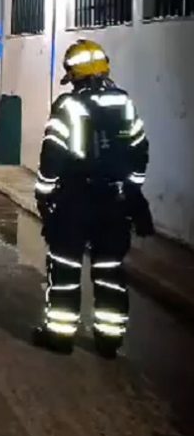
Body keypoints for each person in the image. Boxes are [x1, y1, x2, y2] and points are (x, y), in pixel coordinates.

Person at [33, 39, 154, 358]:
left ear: (75, 74)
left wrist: (43, 195)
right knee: (110, 270)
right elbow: (139, 153)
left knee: (65, 269)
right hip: (114, 203)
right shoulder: (123, 103)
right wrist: (131, 191)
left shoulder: (69, 106)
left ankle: (60, 337)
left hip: (75, 200)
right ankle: (109, 341)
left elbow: (52, 158)